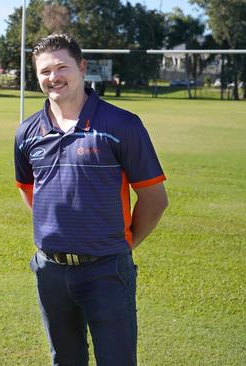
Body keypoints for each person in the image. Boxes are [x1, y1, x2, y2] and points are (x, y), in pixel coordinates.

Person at [14, 34, 168, 366]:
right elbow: (29, 191)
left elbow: (154, 199)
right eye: (44, 71)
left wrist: (122, 244)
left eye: (61, 67)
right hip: (50, 271)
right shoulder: (27, 132)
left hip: (107, 270)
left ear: (82, 67)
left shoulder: (122, 124)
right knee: (65, 360)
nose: (53, 77)